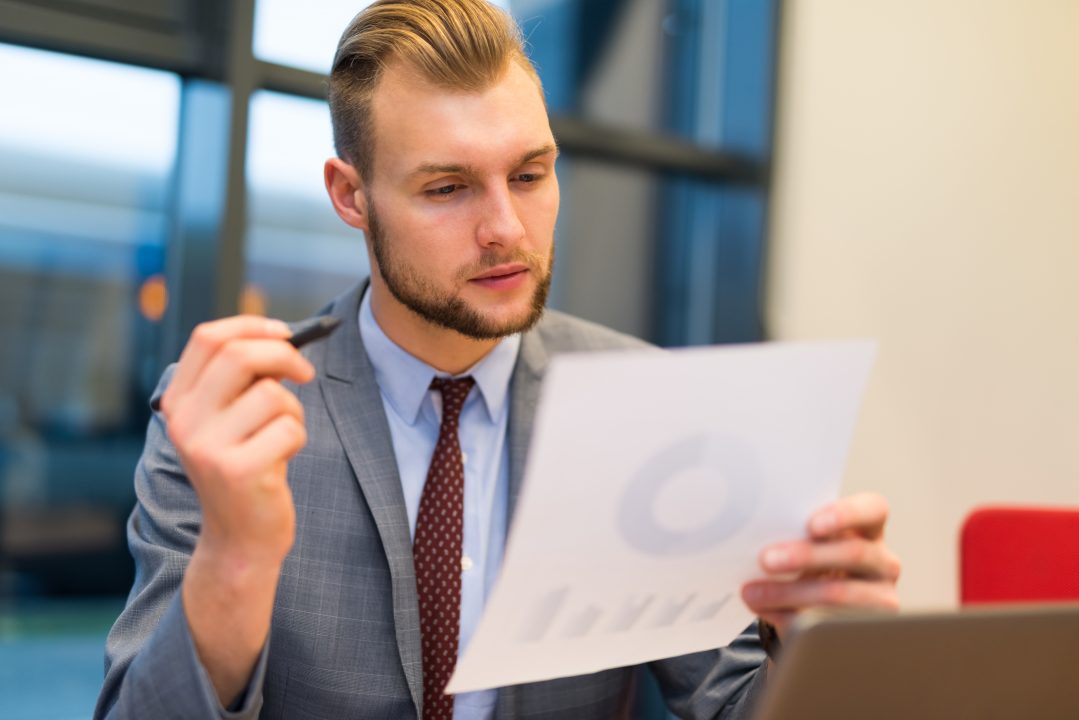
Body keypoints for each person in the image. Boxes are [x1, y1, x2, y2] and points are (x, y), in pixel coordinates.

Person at [95, 1, 901, 718]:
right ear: (350, 196)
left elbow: (733, 707)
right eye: (447, 188)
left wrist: (816, 648)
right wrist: (235, 561)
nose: (506, 229)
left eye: (529, 174)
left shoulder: (638, 402)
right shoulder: (243, 416)